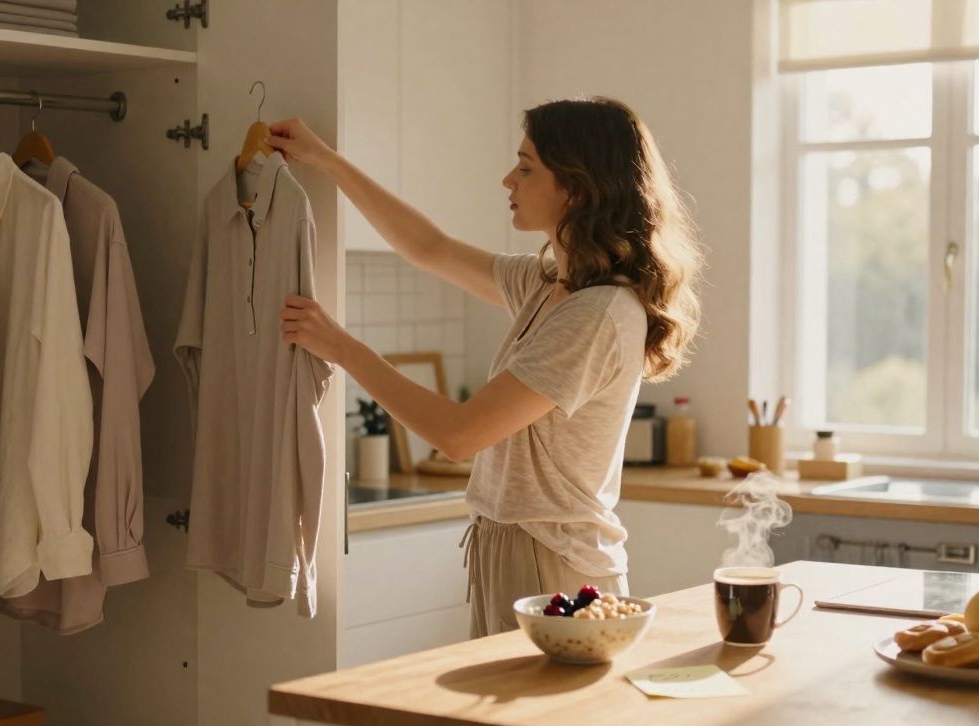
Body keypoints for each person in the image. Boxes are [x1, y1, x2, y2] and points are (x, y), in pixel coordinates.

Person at [268, 97, 703, 637]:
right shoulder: (550, 286)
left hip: (553, 563)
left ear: (577, 188)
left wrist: (343, 347)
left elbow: (459, 435)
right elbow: (429, 247)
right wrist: (326, 160)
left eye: (526, 168)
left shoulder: (596, 315)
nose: (507, 181)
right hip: (515, 546)